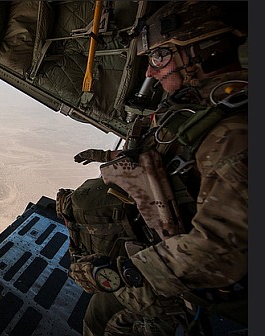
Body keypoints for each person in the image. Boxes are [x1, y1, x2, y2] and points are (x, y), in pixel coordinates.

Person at [58, 1, 248, 335]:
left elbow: (220, 252)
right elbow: (163, 160)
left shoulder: (235, 135)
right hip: (160, 252)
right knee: (97, 318)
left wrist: (124, 273)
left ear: (205, 52)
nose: (150, 72)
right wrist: (107, 156)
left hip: (192, 281)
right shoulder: (199, 108)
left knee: (104, 324)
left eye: (160, 57)